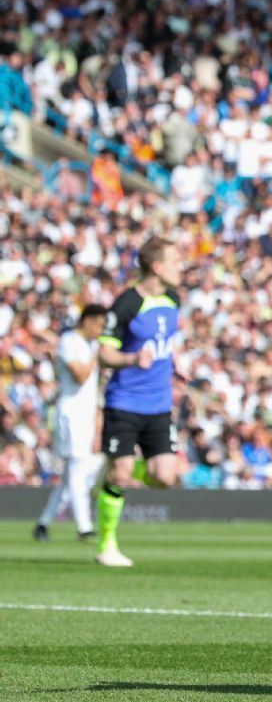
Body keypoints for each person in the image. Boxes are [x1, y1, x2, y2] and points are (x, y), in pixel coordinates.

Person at [95, 237, 186, 567]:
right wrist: (131, 359)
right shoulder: (127, 304)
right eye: (176, 261)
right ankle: (106, 544)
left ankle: (112, 471)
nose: (182, 267)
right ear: (158, 267)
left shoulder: (173, 298)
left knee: (164, 477)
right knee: (121, 475)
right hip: (125, 401)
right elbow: (104, 354)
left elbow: (165, 342)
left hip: (159, 404)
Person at [33, 305, 109, 543]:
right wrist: (97, 354)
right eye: (99, 324)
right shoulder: (69, 341)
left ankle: (43, 523)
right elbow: (80, 375)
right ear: (88, 321)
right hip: (71, 414)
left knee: (71, 475)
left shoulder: (88, 345)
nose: (101, 330)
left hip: (85, 414)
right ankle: (84, 526)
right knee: (77, 469)